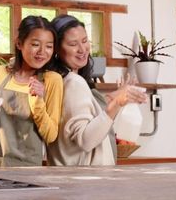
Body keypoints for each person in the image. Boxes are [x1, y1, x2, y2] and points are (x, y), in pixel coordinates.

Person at [46, 14, 147, 166]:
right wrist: (117, 103)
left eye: (85, 41)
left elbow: (84, 118)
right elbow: (86, 140)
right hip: (85, 183)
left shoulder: (58, 81)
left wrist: (116, 98)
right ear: (57, 50)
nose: (82, 49)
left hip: (70, 180)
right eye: (73, 44)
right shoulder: (74, 82)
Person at [0, 15, 63, 167]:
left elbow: (50, 135)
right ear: (19, 43)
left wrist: (38, 101)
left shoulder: (52, 80)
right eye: (35, 44)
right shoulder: (0, 73)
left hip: (25, 170)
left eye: (49, 46)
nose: (42, 52)